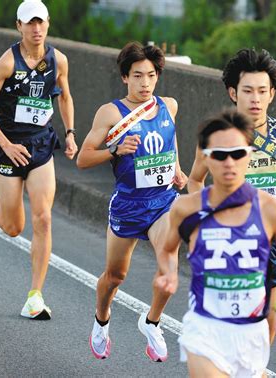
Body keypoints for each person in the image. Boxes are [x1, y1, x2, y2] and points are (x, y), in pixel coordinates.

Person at [187, 48, 276, 341]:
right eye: (248, 90)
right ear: (232, 92)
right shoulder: (215, 139)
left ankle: (256, 366)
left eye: (263, 91)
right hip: (230, 239)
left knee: (269, 315)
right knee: (226, 318)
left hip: (271, 236)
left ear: (272, 94)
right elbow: (195, 181)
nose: (256, 98)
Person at [156, 109, 276, 377]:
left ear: (249, 153)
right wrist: (168, 273)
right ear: (206, 158)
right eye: (220, 155)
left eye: (238, 153)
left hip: (252, 333)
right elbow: (167, 250)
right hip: (205, 329)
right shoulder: (186, 208)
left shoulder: (272, 210)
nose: (229, 162)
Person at [76, 41, 188, 361]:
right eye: (137, 76)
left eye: (151, 75)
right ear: (125, 77)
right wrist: (116, 150)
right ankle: (101, 319)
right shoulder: (111, 112)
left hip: (163, 201)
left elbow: (170, 137)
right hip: (128, 204)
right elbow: (83, 158)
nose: (145, 83)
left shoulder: (169, 105)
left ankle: (151, 321)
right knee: (115, 277)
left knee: (169, 274)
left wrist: (177, 169)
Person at [0, 0, 77, 320]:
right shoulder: (7, 62)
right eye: (29, 23)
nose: (36, 29)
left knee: (43, 218)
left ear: (48, 23)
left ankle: (35, 296)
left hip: (42, 145)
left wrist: (70, 133)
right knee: (14, 228)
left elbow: (66, 96)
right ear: (19, 26)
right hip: (10, 147)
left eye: (40, 22)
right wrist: (7, 144)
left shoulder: (58, 60)